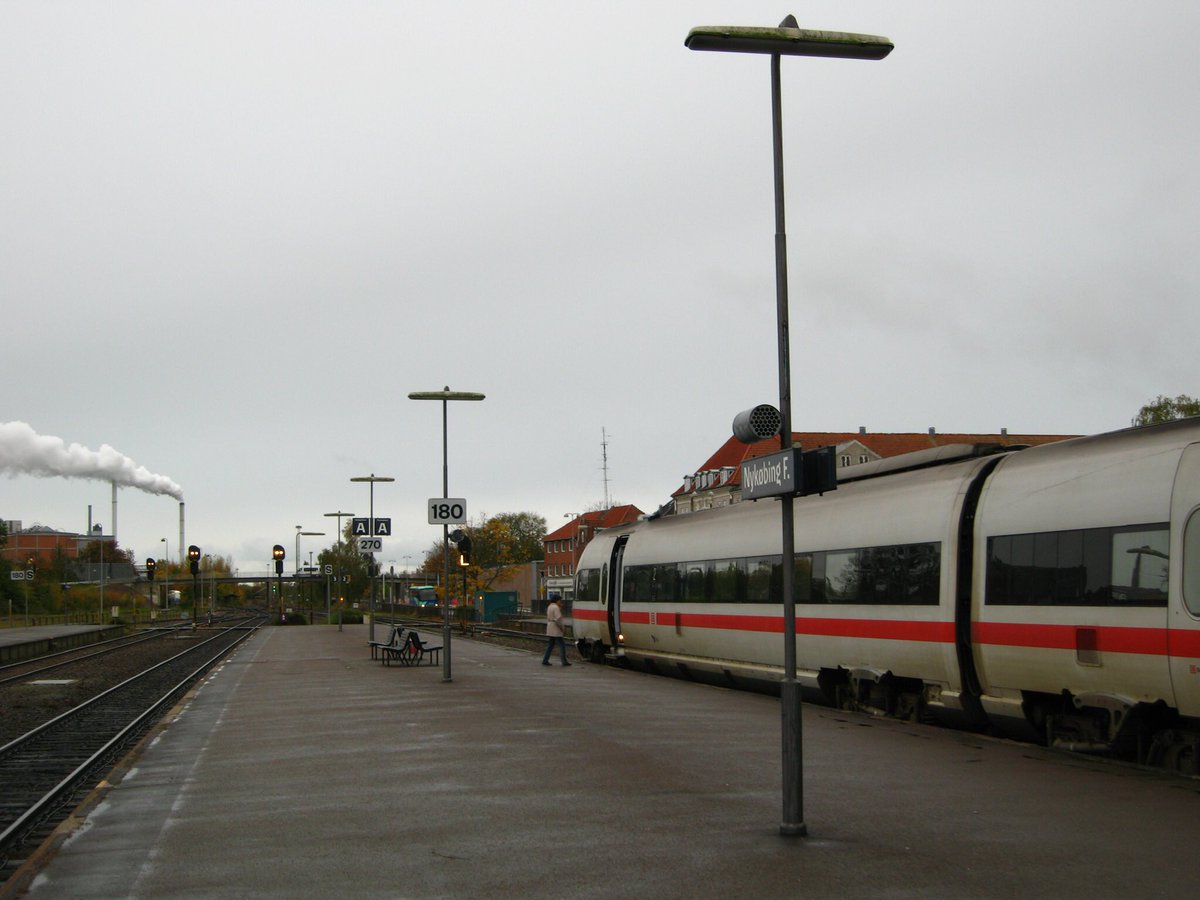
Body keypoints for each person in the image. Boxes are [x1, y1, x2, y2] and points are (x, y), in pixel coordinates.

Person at [542, 593, 571, 667]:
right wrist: (561, 628)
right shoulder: (556, 607)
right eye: (559, 600)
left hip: (550, 626)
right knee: (562, 645)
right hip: (556, 628)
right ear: (556, 600)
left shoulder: (550, 606)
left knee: (550, 645)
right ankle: (564, 661)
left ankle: (545, 660)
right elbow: (558, 618)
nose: (560, 602)